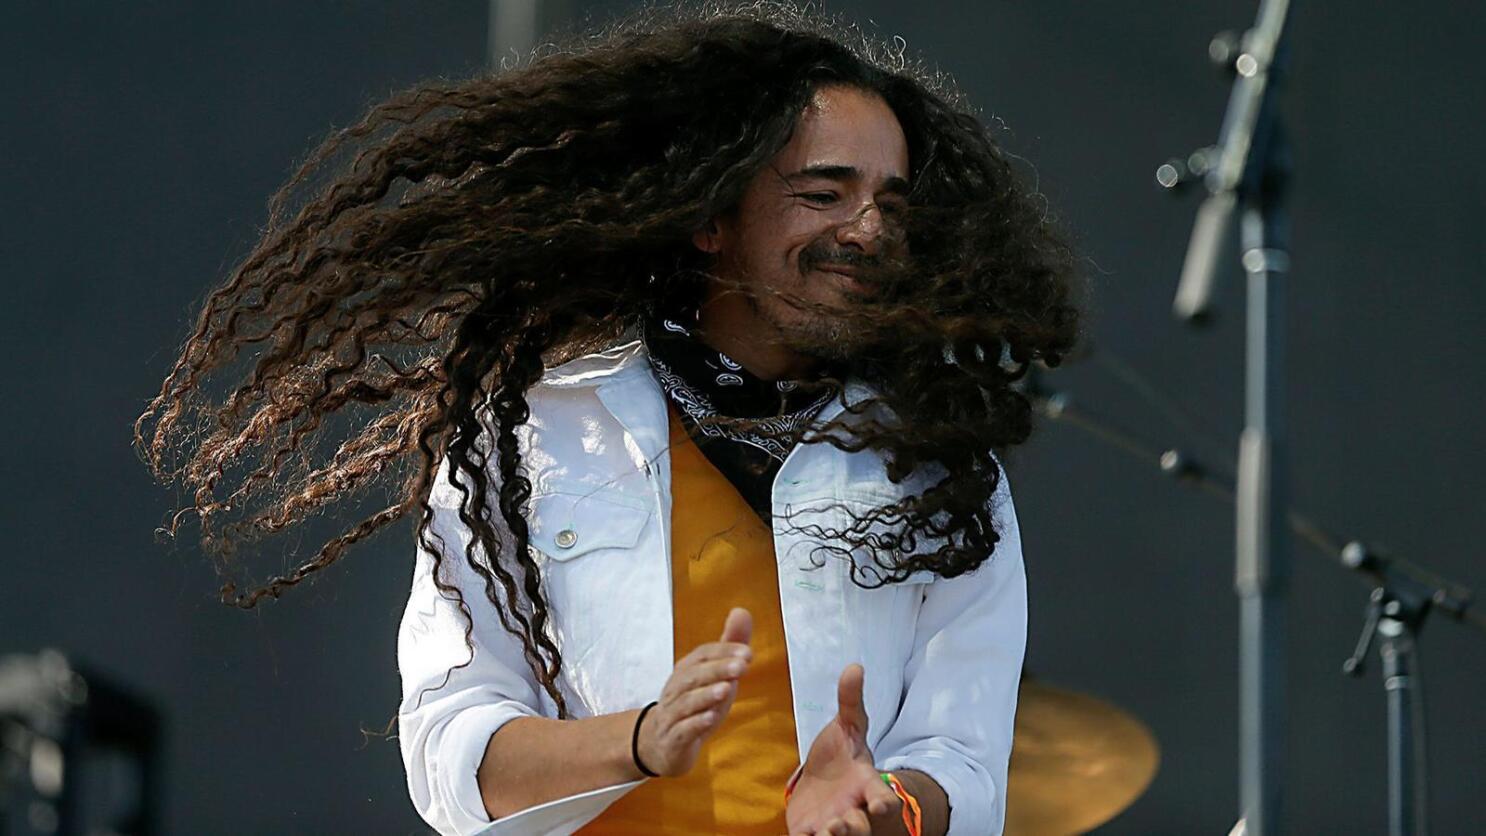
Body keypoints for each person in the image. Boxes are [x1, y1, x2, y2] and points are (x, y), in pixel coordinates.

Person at [135, 4, 1079, 834]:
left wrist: (885, 810)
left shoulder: (939, 469)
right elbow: (448, 752)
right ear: (712, 217)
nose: (867, 230)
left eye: (890, 207)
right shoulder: (535, 430)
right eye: (824, 194)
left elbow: (961, 760)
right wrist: (637, 741)